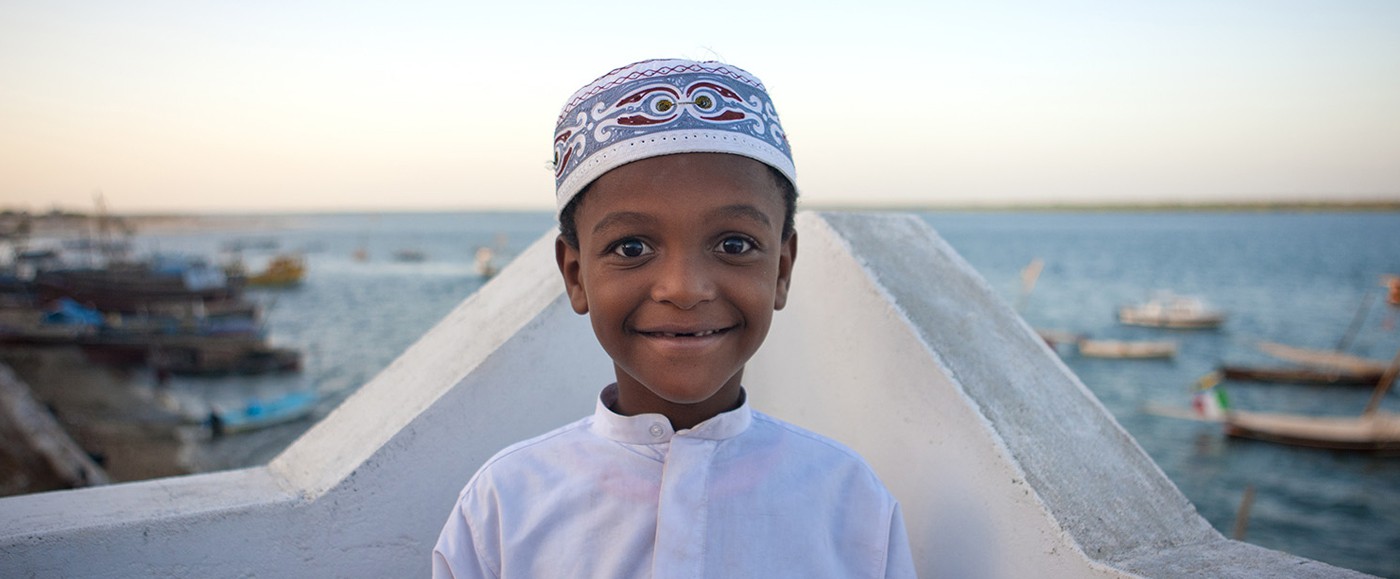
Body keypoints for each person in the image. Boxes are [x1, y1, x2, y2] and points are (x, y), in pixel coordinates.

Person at [432, 58, 916, 578]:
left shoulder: (850, 503)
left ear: (781, 269)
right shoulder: (504, 506)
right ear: (576, 276)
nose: (684, 289)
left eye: (734, 244)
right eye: (632, 246)